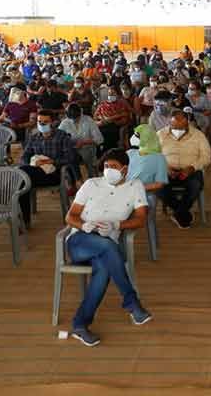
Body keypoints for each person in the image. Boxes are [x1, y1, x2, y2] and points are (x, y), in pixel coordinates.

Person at [62, 148, 152, 346]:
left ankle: (80, 325)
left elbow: (140, 219)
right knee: (109, 247)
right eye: (105, 166)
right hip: (81, 241)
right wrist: (84, 225)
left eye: (114, 167)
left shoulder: (135, 186)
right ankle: (131, 302)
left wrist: (117, 225)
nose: (108, 170)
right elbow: (70, 216)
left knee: (103, 269)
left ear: (125, 169)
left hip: (107, 240)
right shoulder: (91, 184)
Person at [19, 110, 78, 227]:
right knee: (22, 180)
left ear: (53, 123)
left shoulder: (62, 136)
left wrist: (51, 161)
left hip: (53, 174)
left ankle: (21, 219)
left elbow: (71, 158)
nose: (42, 125)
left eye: (45, 122)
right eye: (39, 122)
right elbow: (25, 156)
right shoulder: (34, 137)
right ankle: (22, 219)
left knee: (21, 176)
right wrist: (31, 162)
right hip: (33, 171)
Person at [158, 111, 211, 229]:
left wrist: (192, 167)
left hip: (190, 170)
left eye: (181, 127)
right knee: (158, 187)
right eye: (174, 127)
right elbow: (154, 155)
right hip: (167, 170)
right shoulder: (160, 135)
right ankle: (182, 213)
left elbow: (206, 156)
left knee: (195, 185)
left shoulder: (198, 135)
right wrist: (165, 168)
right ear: (169, 123)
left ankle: (178, 213)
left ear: (187, 124)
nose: (178, 129)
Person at [126, 124, 168, 213]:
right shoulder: (130, 153)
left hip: (143, 192)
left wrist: (137, 188)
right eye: (135, 134)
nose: (133, 137)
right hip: (126, 190)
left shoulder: (159, 158)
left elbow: (159, 184)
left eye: (137, 135)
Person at [58, 103, 104, 177]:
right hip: (71, 148)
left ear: (80, 114)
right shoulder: (65, 122)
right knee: (69, 156)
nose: (74, 120)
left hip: (87, 148)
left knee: (85, 154)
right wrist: (70, 143)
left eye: (76, 118)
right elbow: (58, 136)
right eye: (72, 118)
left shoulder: (88, 120)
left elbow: (100, 139)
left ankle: (91, 175)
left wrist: (83, 142)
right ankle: (76, 178)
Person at [93, 85, 132, 151]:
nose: (111, 95)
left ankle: (108, 150)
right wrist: (102, 119)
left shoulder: (121, 104)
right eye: (109, 94)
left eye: (113, 93)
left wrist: (112, 119)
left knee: (110, 132)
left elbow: (125, 118)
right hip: (102, 124)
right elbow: (95, 116)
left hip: (115, 126)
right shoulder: (103, 104)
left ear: (117, 94)